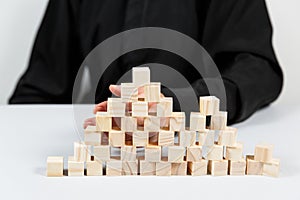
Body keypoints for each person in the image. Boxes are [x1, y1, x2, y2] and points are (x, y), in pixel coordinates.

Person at [9, 0, 283, 126]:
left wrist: (183, 102)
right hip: (110, 150)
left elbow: (257, 68)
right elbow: (41, 85)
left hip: (197, 149)